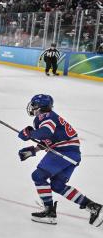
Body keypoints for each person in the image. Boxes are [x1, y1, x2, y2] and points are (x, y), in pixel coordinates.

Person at [17, 94, 102, 226]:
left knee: (38, 176)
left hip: (64, 152)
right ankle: (92, 207)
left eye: (34, 105)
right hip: (72, 155)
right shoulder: (49, 117)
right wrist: (33, 151)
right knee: (57, 185)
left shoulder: (45, 117)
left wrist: (29, 134)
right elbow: (49, 139)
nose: (32, 107)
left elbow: (45, 132)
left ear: (40, 107)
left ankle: (49, 212)